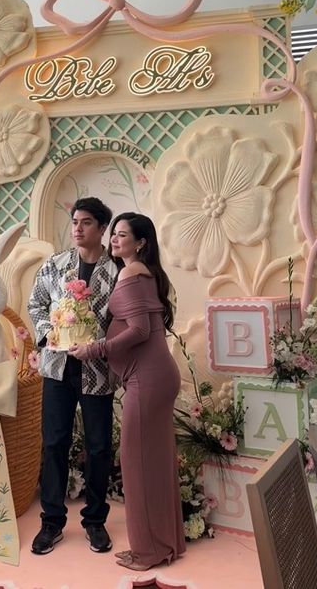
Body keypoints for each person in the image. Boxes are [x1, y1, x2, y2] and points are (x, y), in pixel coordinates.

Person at [70, 212, 186, 571]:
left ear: (140, 243)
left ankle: (148, 553)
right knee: (156, 464)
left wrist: (94, 349)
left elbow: (139, 331)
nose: (115, 240)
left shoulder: (132, 273)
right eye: (115, 234)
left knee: (138, 466)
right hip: (155, 377)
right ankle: (166, 544)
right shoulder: (142, 272)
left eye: (123, 235)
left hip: (147, 381)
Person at [27, 197, 119, 555]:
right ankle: (51, 522)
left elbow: (124, 320)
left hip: (98, 369)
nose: (78, 229)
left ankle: (95, 521)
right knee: (54, 443)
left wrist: (101, 345)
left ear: (102, 228)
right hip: (57, 367)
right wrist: (47, 334)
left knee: (99, 446)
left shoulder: (118, 271)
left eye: (86, 222)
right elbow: (36, 303)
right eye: (75, 222)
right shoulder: (55, 264)